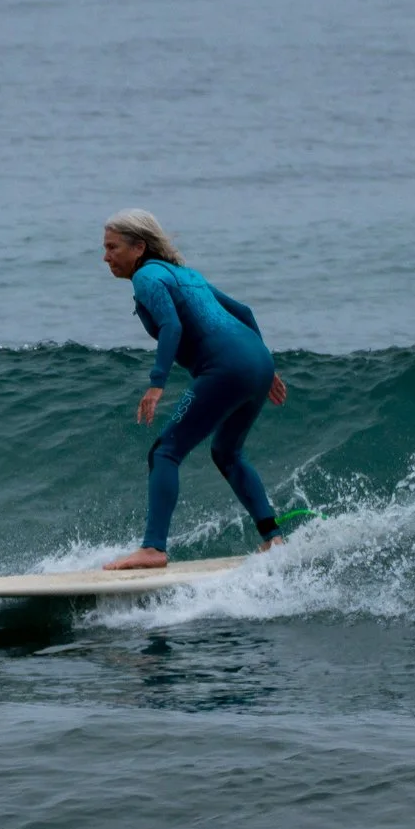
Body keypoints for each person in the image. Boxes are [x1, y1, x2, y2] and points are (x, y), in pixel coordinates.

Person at [99, 209, 289, 569]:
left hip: (226, 368)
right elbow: (244, 312)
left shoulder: (147, 277)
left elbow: (171, 326)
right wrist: (267, 366)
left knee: (164, 452)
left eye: (112, 247)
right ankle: (273, 538)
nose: (106, 256)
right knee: (227, 453)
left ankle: (153, 548)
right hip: (255, 362)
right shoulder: (186, 275)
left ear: (139, 247)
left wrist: (157, 384)